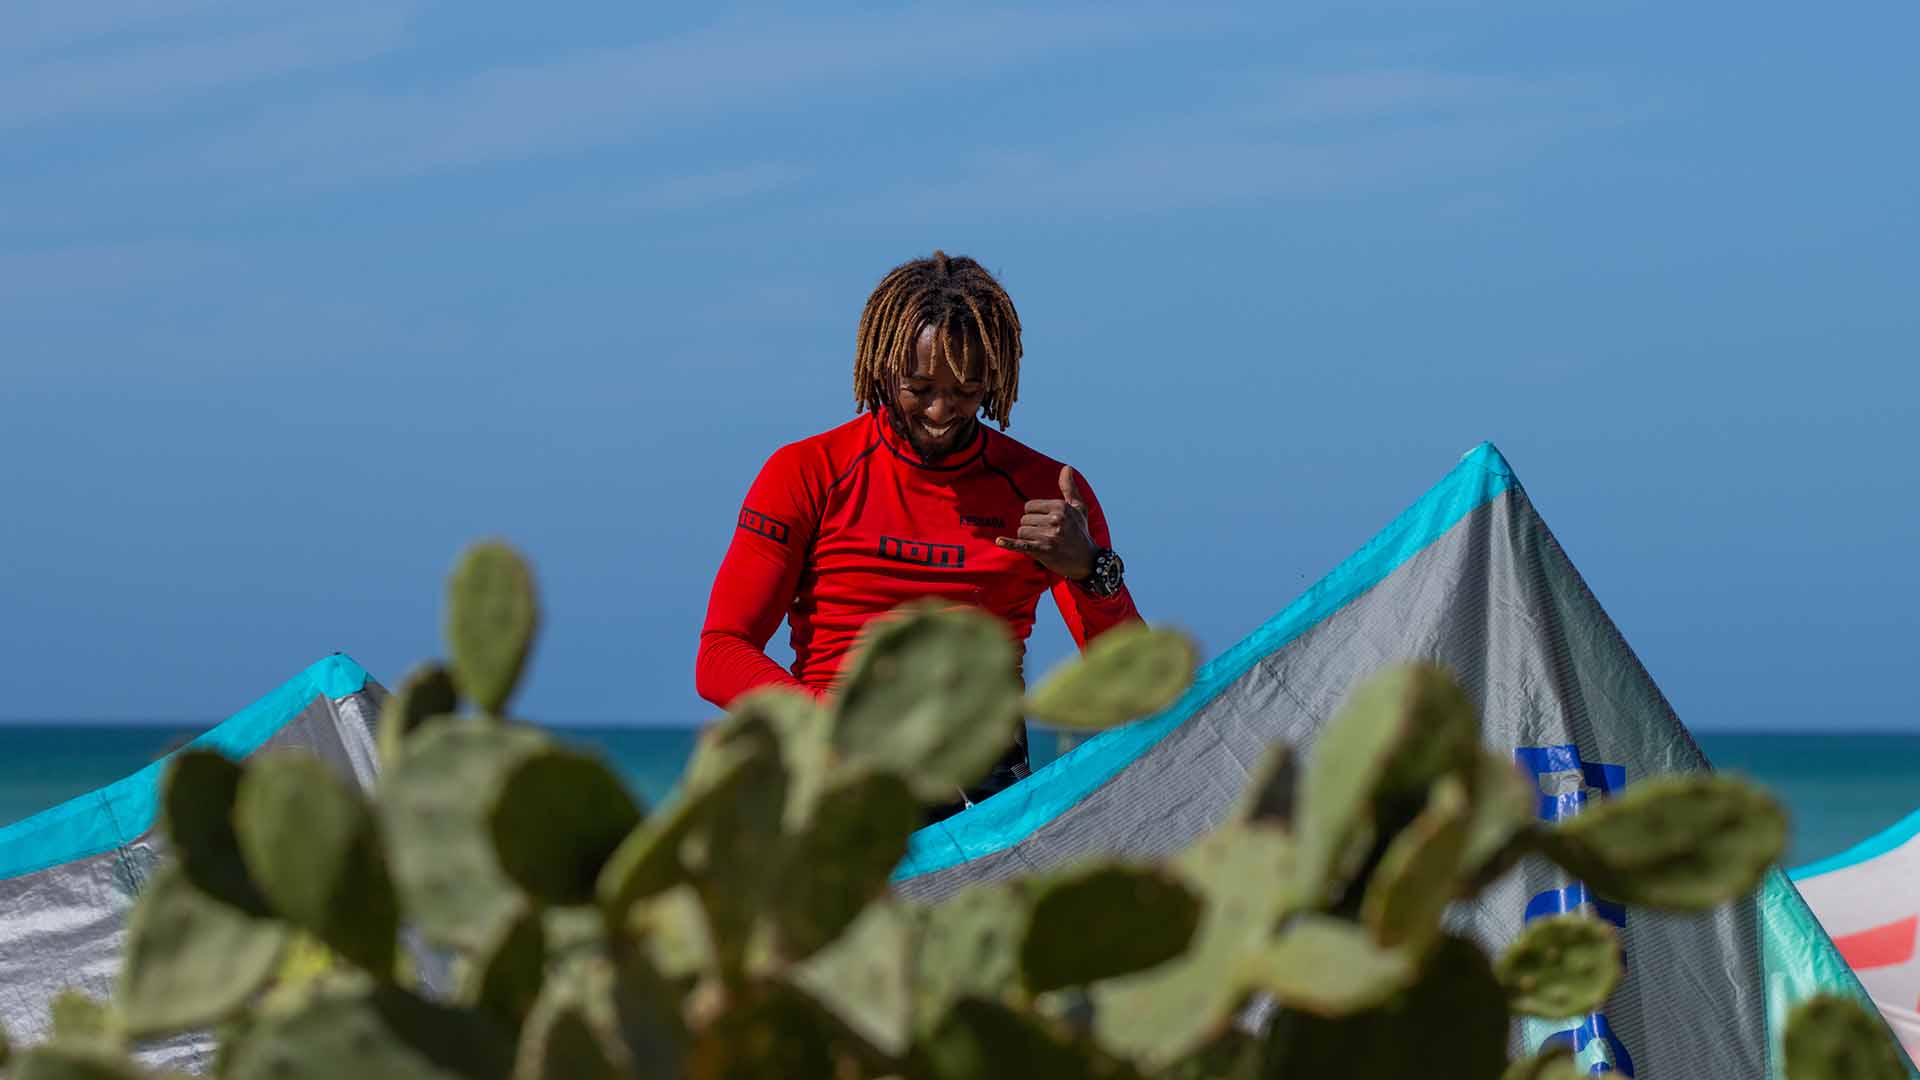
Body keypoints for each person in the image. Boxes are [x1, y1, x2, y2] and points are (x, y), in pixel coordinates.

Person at [695, 251, 1140, 814]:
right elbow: (720, 654)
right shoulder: (807, 472)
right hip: (834, 764)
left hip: (980, 782)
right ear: (882, 366)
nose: (940, 410)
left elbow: (1132, 679)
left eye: (965, 391)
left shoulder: (1049, 492)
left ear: (995, 380)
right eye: (919, 386)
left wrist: (1088, 571)